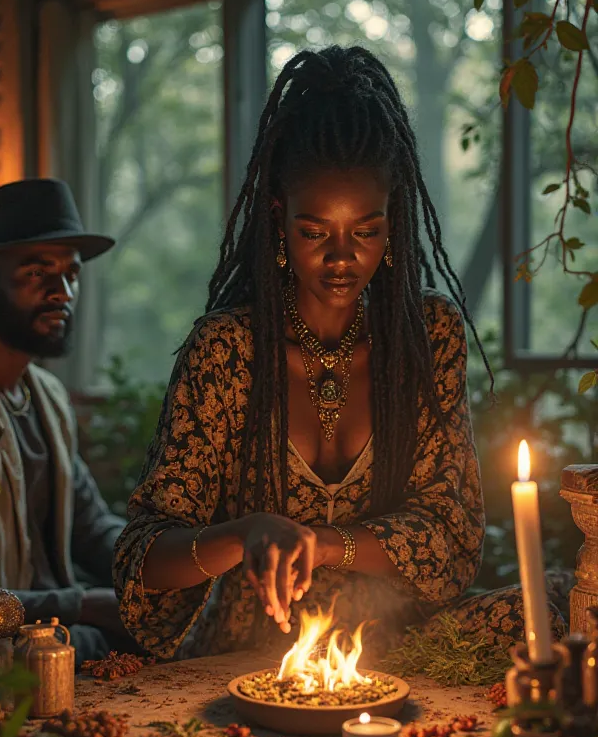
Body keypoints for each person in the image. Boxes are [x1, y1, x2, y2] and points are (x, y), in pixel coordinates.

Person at [113, 46, 564, 663]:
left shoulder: (426, 337)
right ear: (279, 218)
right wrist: (246, 535)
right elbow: (144, 559)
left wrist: (325, 544)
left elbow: (450, 539)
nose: (342, 258)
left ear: (393, 224)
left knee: (561, 603)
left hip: (397, 643)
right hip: (259, 651)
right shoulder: (226, 352)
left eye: (367, 232)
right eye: (315, 232)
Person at [0, 178, 135, 664]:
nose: (63, 291)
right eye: (38, 273)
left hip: (62, 633)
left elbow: (91, 526)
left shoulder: (48, 397)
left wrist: (167, 560)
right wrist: (83, 604)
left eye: (71, 274)